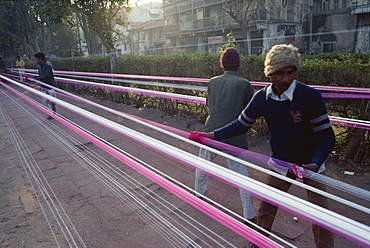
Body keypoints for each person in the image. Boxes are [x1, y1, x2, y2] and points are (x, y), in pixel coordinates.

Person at [190, 44, 335, 248]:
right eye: (279, 73)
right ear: (269, 73)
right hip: (280, 163)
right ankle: (258, 243)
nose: (285, 79)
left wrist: (314, 163)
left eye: (290, 72)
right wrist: (211, 135)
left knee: (322, 219)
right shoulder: (262, 98)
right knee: (266, 211)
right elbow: (241, 124)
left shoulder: (309, 96)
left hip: (311, 166)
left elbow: (327, 136)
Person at [194, 47, 256, 224]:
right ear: (238, 63)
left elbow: (209, 105)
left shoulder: (213, 82)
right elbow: (249, 112)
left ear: (222, 63)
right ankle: (249, 215)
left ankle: (198, 195)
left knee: (202, 167)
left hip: (211, 132)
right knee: (242, 177)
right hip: (234, 135)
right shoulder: (244, 84)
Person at [28, 52, 56, 120]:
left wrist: (36, 78)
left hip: (50, 85)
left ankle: (53, 109)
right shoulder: (39, 67)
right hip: (43, 86)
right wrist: (32, 77)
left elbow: (46, 76)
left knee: (52, 101)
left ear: (40, 59)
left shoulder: (48, 66)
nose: (36, 60)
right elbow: (40, 76)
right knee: (45, 102)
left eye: (37, 59)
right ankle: (51, 114)